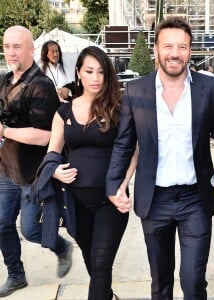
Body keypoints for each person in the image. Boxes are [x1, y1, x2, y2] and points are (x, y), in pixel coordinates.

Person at [106, 17, 214, 299]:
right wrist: (114, 184)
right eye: (168, 46)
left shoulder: (209, 88)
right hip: (154, 201)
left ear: (190, 51)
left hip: (196, 200)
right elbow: (124, 143)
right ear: (156, 49)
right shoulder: (136, 90)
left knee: (192, 282)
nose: (175, 53)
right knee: (161, 283)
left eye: (182, 46)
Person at [46, 45, 137, 300]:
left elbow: (133, 150)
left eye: (101, 72)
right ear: (78, 73)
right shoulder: (63, 112)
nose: (95, 78)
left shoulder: (119, 108)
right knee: (93, 265)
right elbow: (52, 151)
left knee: (100, 265)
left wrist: (123, 184)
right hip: (75, 204)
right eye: (89, 71)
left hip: (110, 201)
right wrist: (54, 171)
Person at [0, 25, 73, 297]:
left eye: (17, 46)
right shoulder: (5, 81)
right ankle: (16, 275)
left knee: (30, 230)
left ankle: (60, 246)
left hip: (34, 172)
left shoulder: (41, 86)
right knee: (1, 224)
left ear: (32, 49)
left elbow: (45, 137)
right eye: (7, 46)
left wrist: (5, 131)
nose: (11, 52)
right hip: (6, 169)